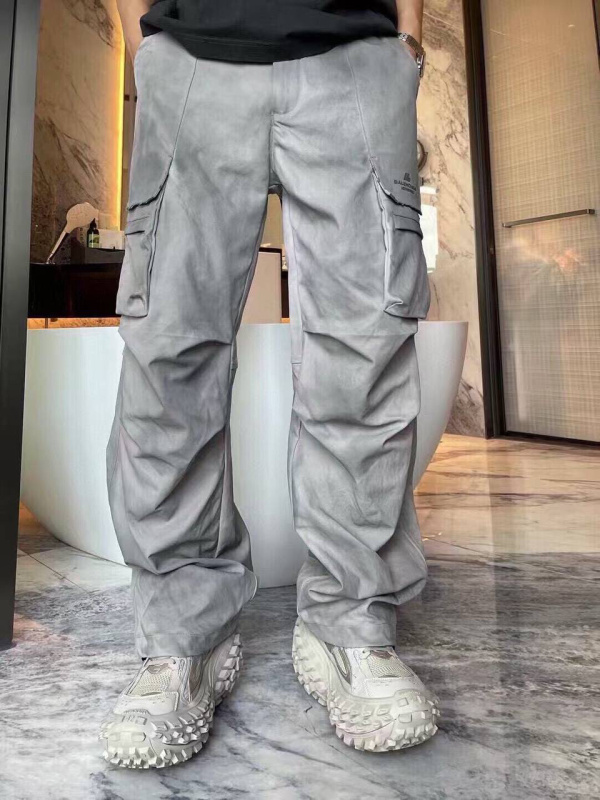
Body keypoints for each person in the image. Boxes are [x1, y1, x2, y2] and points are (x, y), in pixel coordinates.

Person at [100, 0, 438, 769]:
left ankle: (348, 624)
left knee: (364, 353)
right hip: (190, 55)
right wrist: (142, 49)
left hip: (357, 54)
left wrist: (407, 45)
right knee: (169, 354)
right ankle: (184, 638)